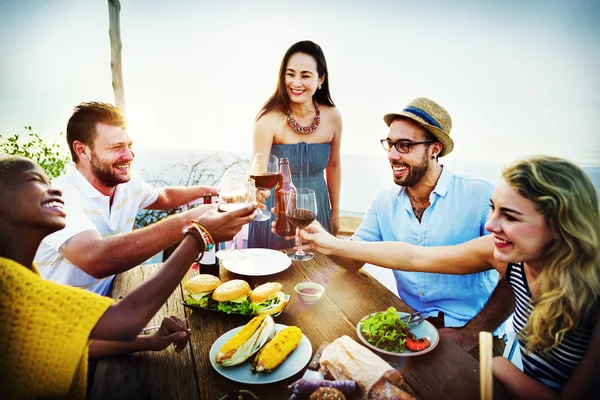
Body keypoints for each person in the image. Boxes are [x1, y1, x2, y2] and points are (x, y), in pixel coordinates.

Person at [300, 156, 599, 399]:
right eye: (493, 208)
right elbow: (414, 256)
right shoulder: (510, 258)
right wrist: (329, 242)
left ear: (560, 225)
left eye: (511, 216)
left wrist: (499, 365)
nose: (492, 224)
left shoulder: (593, 294)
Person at [0, 155, 256, 399]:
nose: (54, 189)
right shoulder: (7, 283)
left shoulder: (24, 277)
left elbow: (72, 344)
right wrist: (199, 236)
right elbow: (125, 319)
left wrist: (148, 342)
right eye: (34, 180)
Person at [312, 97, 512, 355]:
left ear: (434, 149)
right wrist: (320, 240)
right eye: (391, 144)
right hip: (411, 326)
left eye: (405, 146)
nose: (393, 155)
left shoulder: (481, 196)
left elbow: (515, 276)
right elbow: (353, 258)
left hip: (477, 331)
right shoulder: (384, 202)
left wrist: (472, 333)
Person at [34, 102, 234, 295]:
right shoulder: (57, 197)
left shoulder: (127, 184)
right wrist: (192, 221)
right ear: (82, 150)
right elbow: (96, 258)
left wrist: (212, 191)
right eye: (116, 147)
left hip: (109, 304)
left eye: (129, 145)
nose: (129, 155)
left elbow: (164, 197)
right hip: (59, 320)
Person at [247, 40, 343, 250]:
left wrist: (335, 213)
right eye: (290, 74)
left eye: (305, 75)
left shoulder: (333, 117)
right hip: (277, 214)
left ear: (321, 79)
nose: (296, 82)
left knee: (318, 279)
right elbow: (257, 172)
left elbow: (334, 166)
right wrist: (258, 196)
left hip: (317, 211)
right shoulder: (268, 120)